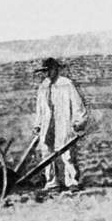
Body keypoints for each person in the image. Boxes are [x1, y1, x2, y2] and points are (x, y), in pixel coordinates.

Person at [33, 57, 88, 191]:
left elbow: (77, 104)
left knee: (67, 153)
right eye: (44, 71)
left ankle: (72, 182)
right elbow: (40, 108)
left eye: (48, 70)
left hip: (63, 122)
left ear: (55, 69)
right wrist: (38, 123)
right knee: (47, 152)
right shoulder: (43, 86)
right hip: (48, 124)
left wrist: (79, 121)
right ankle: (52, 183)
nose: (46, 74)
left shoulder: (67, 84)